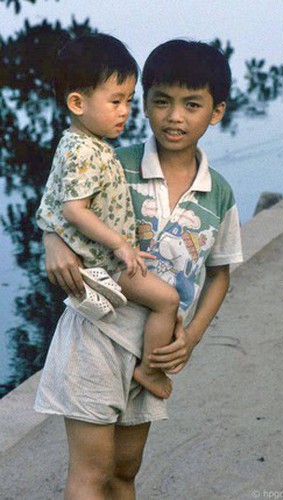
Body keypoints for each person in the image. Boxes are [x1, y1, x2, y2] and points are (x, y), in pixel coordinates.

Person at [35, 39, 243, 499]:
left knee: (125, 472)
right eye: (161, 101)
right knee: (93, 471)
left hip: (154, 349)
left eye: (192, 105)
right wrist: (51, 241)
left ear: (216, 111)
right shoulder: (112, 161)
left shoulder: (220, 195)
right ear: (143, 103)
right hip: (98, 333)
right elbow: (63, 203)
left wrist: (191, 337)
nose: (174, 116)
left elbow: (220, 273)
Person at [36, 33, 179, 400]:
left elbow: (51, 203)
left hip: (103, 261)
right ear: (77, 102)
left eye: (130, 101)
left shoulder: (79, 143)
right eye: (115, 101)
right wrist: (120, 245)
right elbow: (72, 209)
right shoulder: (85, 151)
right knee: (166, 300)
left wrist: (50, 233)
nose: (125, 111)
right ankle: (150, 370)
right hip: (106, 265)